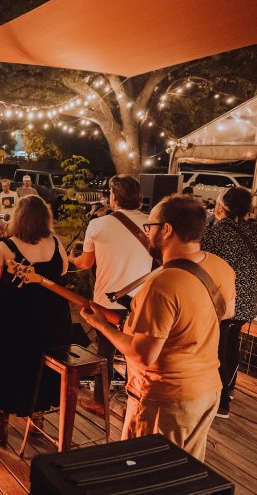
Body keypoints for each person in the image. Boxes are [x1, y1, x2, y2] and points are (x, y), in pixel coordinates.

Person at [81, 195, 236, 461]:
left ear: (166, 229)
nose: (148, 232)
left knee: (147, 473)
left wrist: (101, 325)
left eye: (149, 226)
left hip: (166, 399)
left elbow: (142, 355)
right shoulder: (220, 266)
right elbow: (226, 313)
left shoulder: (161, 285)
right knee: (184, 472)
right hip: (207, 389)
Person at [0, 195, 73, 445]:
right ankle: (37, 421)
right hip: (48, 319)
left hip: (9, 319)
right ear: (45, 218)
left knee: (2, 364)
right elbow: (62, 272)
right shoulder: (55, 243)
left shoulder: (6, 247)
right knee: (38, 366)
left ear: (18, 218)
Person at [69, 175, 152, 415]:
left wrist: (71, 258)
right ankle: (134, 400)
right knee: (135, 353)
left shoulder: (98, 224)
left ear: (114, 197)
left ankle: (100, 402)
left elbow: (85, 263)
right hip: (141, 300)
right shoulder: (151, 224)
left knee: (105, 351)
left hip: (107, 301)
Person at [201, 187, 257, 418]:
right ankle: (230, 389)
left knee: (217, 349)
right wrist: (250, 273)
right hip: (245, 301)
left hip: (220, 301)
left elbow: (200, 262)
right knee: (232, 343)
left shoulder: (214, 233)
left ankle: (222, 402)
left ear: (222, 206)